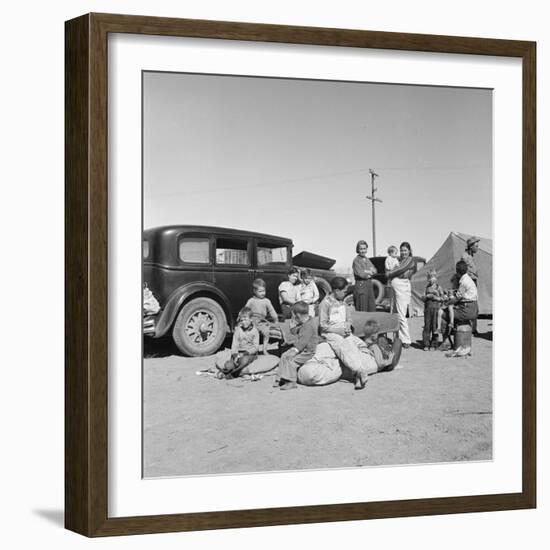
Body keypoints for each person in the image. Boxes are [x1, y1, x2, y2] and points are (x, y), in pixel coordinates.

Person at [297, 320, 402, 387]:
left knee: (307, 372)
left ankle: (358, 371)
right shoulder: (361, 345)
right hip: (352, 361)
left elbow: (397, 343)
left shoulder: (371, 354)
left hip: (354, 363)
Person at [319, 276, 369, 389]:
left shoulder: (343, 302)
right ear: (336, 290)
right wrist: (338, 330)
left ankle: (358, 376)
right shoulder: (325, 303)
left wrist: (347, 326)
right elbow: (323, 325)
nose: (345, 294)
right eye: (344, 291)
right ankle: (360, 371)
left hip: (344, 331)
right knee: (343, 349)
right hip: (331, 333)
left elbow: (349, 318)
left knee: (353, 347)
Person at [274, 301, 320, 390]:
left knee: (291, 360)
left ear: (297, 316)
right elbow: (297, 330)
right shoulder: (305, 322)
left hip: (307, 351)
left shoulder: (309, 326)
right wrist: (293, 327)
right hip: (302, 349)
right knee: (284, 355)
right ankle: (280, 377)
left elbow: (303, 342)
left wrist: (295, 351)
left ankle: (291, 381)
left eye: (293, 316)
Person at [439, 260, 479, 348]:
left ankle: (446, 342)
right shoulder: (468, 279)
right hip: (473, 308)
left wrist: (445, 303)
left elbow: (457, 298)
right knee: (451, 310)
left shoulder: (463, 282)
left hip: (467, 310)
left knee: (443, 314)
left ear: (457, 272)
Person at [386, 242, 416, 348]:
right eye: (402, 250)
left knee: (401, 313)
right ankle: (397, 337)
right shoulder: (399, 260)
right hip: (395, 286)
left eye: (405, 250)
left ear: (409, 251)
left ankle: (406, 340)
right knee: (394, 312)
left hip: (402, 286)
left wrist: (390, 273)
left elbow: (401, 271)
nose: (403, 252)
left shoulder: (410, 260)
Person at [219, 307, 259, 378]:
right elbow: (234, 345)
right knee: (229, 365)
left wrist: (245, 353)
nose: (243, 322)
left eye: (246, 320)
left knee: (244, 361)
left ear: (251, 319)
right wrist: (234, 355)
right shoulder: (238, 330)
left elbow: (256, 348)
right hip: (238, 353)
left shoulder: (255, 331)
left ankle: (233, 374)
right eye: (242, 320)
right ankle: (228, 371)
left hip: (249, 354)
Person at [245, 278, 278, 354]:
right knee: (252, 335)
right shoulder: (251, 301)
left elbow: (272, 311)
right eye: (260, 291)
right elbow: (245, 310)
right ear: (254, 291)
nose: (263, 293)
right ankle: (253, 350)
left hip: (262, 322)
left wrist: (276, 320)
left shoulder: (266, 301)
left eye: (264, 291)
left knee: (266, 333)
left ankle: (264, 350)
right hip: (252, 322)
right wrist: (242, 318)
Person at [352, 240, 378, 312]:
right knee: (362, 310)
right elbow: (361, 274)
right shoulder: (356, 261)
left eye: (364, 248)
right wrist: (369, 272)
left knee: (371, 308)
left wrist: (367, 271)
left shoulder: (367, 260)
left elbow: (375, 270)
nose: (363, 251)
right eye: (361, 249)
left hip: (369, 286)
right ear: (358, 249)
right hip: (361, 287)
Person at [462, 236, 480, 335]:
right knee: (470, 304)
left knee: (474, 305)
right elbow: (463, 270)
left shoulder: (471, 256)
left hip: (473, 282)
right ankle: (469, 329)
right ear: (470, 246)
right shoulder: (465, 257)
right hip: (469, 283)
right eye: (476, 246)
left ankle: (473, 328)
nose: (477, 248)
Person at [422, 270, 445, 350]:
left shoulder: (439, 287)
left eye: (433, 277)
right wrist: (427, 296)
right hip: (427, 308)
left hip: (436, 308)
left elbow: (443, 299)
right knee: (427, 326)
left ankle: (433, 344)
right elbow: (422, 297)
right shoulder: (426, 287)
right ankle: (426, 344)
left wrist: (435, 297)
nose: (432, 279)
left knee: (434, 326)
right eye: (430, 278)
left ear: (436, 278)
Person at [385, 245, 400, 313]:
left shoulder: (396, 260)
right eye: (395, 253)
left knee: (396, 295)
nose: (396, 255)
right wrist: (393, 268)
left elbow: (398, 266)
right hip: (391, 278)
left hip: (395, 277)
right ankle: (391, 310)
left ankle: (396, 310)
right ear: (390, 253)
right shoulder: (388, 259)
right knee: (392, 296)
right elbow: (388, 268)